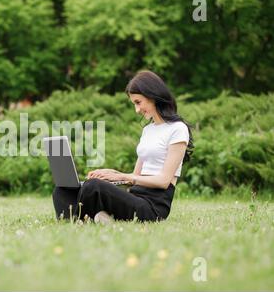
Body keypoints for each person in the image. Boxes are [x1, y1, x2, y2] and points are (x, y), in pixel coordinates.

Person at [52, 70, 194, 223]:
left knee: (93, 187)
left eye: (138, 102)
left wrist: (121, 176)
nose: (137, 110)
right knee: (63, 189)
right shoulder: (148, 130)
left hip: (152, 207)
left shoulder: (177, 129)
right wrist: (110, 174)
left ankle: (89, 218)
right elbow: (135, 175)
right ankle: (82, 220)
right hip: (134, 196)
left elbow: (163, 181)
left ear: (152, 95)